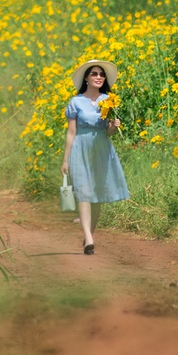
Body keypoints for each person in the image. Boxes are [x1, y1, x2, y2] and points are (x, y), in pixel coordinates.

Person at [60, 59, 130, 255]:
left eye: (101, 74)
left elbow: (108, 133)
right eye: (94, 74)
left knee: (97, 196)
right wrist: (65, 160)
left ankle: (88, 236)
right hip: (80, 148)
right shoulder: (76, 102)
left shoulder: (107, 100)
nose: (99, 77)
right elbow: (71, 132)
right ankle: (89, 239)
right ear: (87, 78)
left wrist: (113, 127)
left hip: (101, 148)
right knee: (83, 192)